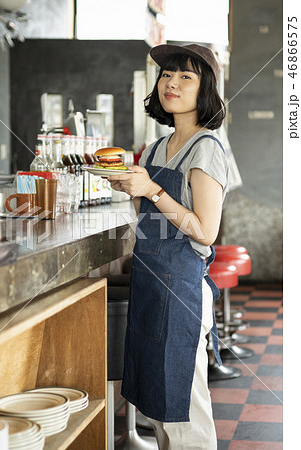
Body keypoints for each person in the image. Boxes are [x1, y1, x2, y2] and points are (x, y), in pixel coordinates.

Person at [108, 43, 229, 449]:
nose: (171, 83)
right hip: (151, 284)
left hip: (182, 293)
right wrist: (129, 189)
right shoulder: (159, 147)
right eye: (166, 75)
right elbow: (152, 219)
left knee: (183, 412)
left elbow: (205, 230)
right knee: (159, 410)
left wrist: (152, 189)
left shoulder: (207, 147)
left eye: (185, 77)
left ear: (206, 88)